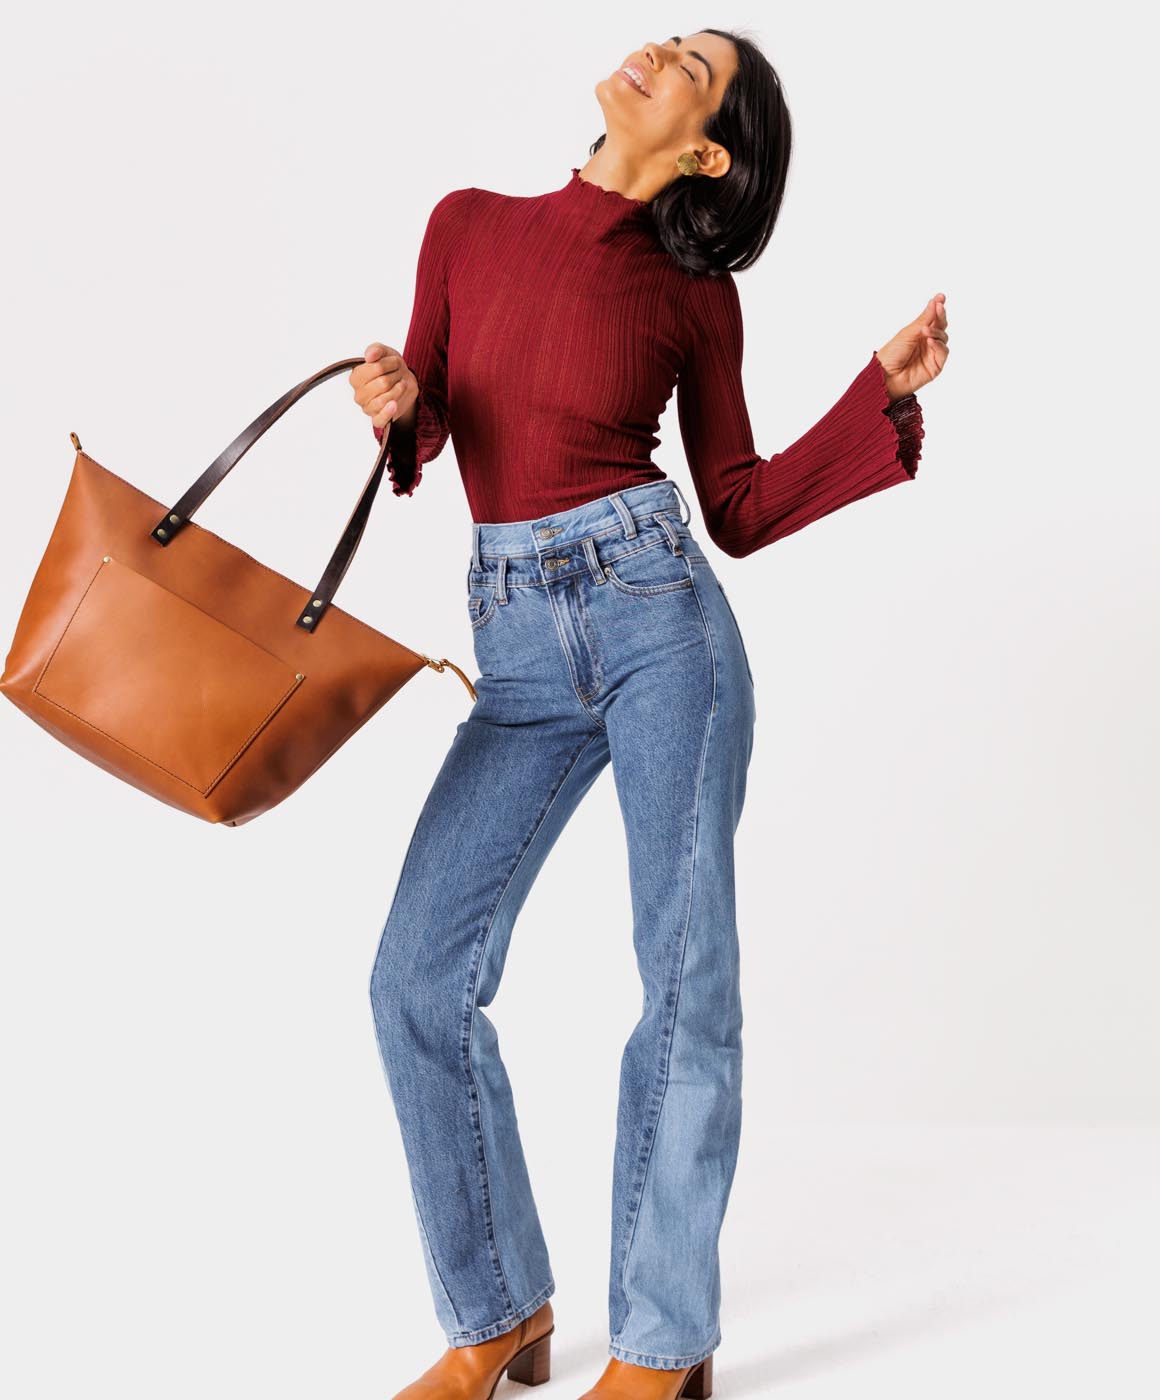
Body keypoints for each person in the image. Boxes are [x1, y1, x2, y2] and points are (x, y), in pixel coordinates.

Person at [349, 27, 948, 1400]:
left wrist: (874, 398)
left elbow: (735, 505)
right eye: (668, 38)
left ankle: (663, 1344)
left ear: (706, 152)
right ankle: (496, 1313)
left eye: (691, 67)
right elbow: (433, 422)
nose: (655, 51)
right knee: (414, 979)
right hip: (512, 646)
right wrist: (398, 404)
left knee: (685, 979)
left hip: (657, 626)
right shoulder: (466, 224)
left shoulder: (694, 296)